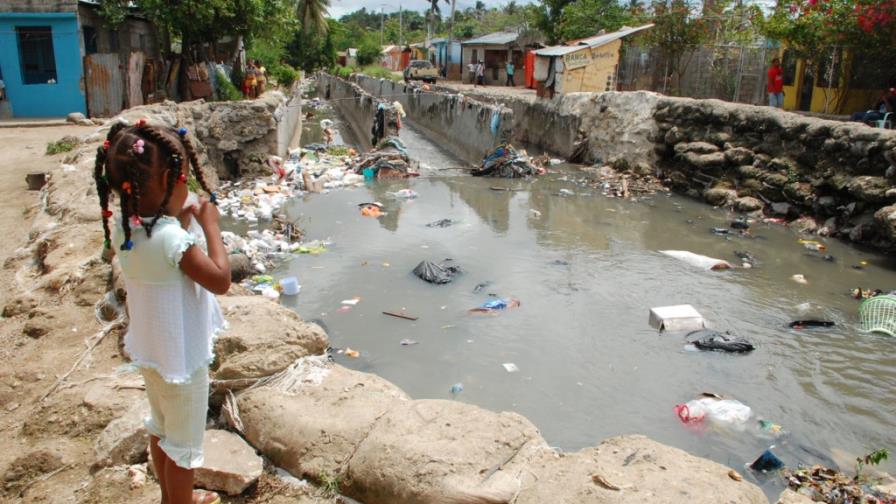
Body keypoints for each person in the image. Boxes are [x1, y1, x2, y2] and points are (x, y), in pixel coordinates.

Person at [93, 120, 230, 504]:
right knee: (183, 448)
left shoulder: (127, 231)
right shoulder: (173, 241)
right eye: (184, 178)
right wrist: (211, 226)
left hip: (153, 356)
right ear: (170, 179)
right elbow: (220, 280)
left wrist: (181, 216)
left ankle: (169, 497)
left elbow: (167, 239)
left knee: (161, 429)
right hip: (183, 363)